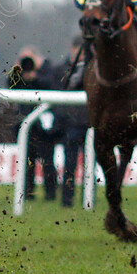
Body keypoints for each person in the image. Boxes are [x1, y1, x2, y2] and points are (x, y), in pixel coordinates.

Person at [8, 45, 59, 201]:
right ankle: (28, 193)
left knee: (47, 160)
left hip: (43, 126)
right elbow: (9, 84)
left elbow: (51, 85)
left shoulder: (47, 69)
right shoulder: (19, 72)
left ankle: (50, 194)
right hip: (25, 124)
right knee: (26, 161)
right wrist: (17, 69)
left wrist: (35, 76)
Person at [51, 36, 90, 208]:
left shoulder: (92, 69)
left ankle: (89, 199)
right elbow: (57, 91)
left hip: (89, 124)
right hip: (70, 123)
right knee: (70, 165)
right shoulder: (60, 69)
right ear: (73, 50)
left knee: (91, 164)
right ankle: (66, 200)